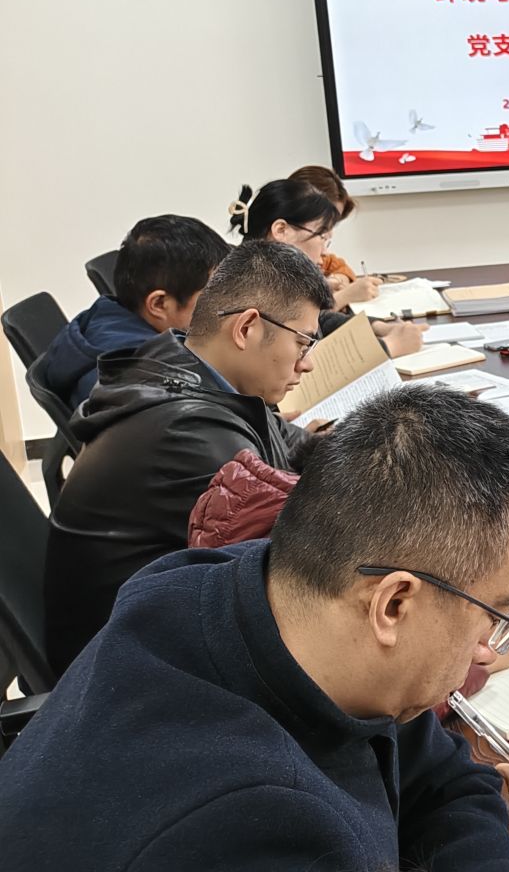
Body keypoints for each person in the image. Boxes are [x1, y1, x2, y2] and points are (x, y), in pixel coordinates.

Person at [0, 384, 509, 871]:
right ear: (393, 605)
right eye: (492, 616)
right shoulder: (255, 826)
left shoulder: (248, 587)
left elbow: (448, 782)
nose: (488, 650)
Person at [43, 239, 332, 673]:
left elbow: (293, 445)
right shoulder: (189, 435)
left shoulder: (187, 365)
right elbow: (303, 563)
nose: (306, 364)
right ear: (247, 328)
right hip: (123, 669)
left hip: (154, 627)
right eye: (303, 343)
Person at [41, 215, 230, 411]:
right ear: (159, 304)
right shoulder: (140, 385)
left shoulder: (109, 322)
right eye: (213, 296)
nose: (225, 307)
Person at [230, 178, 424, 357]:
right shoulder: (252, 290)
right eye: (322, 237)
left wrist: (377, 327)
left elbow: (319, 320)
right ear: (281, 230)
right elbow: (307, 367)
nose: (325, 251)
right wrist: (391, 346)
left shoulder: (272, 275)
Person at [288, 164, 375, 295]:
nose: (329, 232)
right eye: (324, 222)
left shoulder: (314, 252)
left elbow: (339, 266)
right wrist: (344, 296)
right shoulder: (266, 263)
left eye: (333, 223)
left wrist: (337, 280)